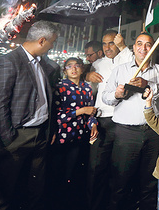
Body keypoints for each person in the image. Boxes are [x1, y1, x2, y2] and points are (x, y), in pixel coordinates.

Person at [0, 20, 60, 210]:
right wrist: (8, 138)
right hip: (18, 135)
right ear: (42, 40)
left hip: (41, 134)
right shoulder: (9, 61)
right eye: (52, 42)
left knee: (35, 188)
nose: (53, 46)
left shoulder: (43, 64)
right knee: (4, 189)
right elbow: (0, 102)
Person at [102, 32, 159, 210]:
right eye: (139, 44)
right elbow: (106, 97)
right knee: (121, 181)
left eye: (148, 45)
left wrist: (147, 85)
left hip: (153, 132)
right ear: (133, 48)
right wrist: (117, 94)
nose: (143, 48)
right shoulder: (120, 69)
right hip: (126, 133)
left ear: (153, 48)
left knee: (149, 182)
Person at [87, 30, 132, 210]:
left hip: (123, 121)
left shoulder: (128, 60)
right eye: (104, 44)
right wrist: (86, 76)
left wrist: (123, 47)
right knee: (96, 168)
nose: (107, 47)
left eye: (111, 43)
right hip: (102, 121)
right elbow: (87, 89)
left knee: (120, 169)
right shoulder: (96, 64)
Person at [50, 57, 97, 210]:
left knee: (73, 173)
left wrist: (93, 124)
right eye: (69, 66)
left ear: (82, 69)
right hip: (61, 138)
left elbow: (91, 113)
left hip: (79, 137)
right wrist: (80, 111)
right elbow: (57, 115)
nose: (73, 69)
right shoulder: (60, 87)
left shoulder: (87, 88)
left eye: (77, 66)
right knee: (57, 173)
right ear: (65, 70)